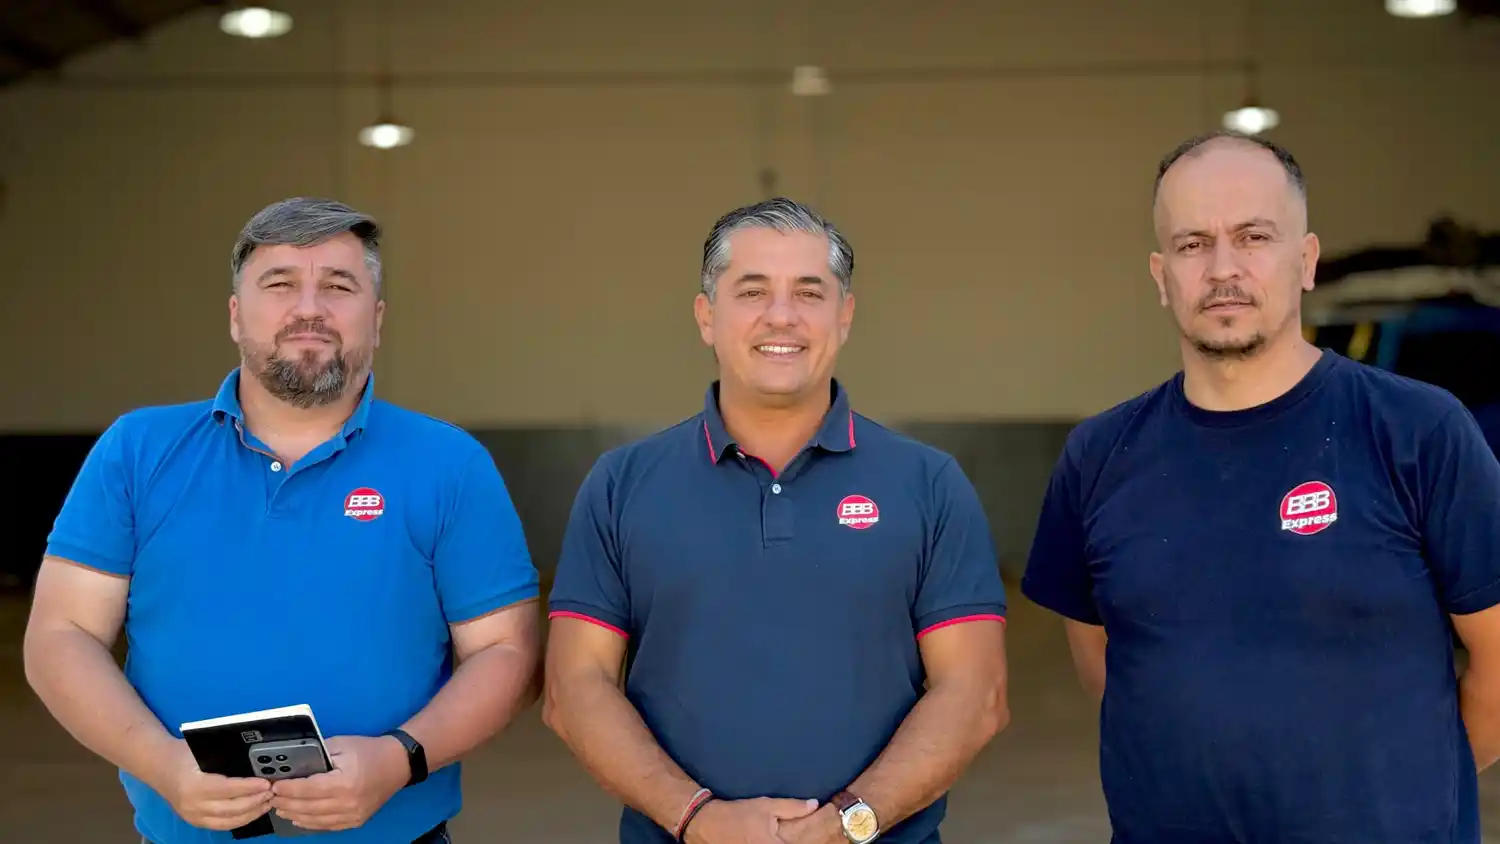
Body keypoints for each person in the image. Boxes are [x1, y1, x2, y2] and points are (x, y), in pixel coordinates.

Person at [1021, 131, 1500, 844]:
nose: (1222, 269)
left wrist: (1403, 792)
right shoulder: (1098, 456)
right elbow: (1112, 670)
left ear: (1305, 261)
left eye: (1253, 237)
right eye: (1192, 245)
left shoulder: (1419, 432)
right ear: (1160, 275)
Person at [23, 197, 542, 844]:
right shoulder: (137, 451)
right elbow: (60, 634)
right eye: (280, 284)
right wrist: (164, 767)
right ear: (236, 316)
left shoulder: (449, 465)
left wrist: (398, 759)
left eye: (339, 285)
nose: (309, 308)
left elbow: (507, 652)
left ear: (375, 321)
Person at [541, 197, 1010, 844]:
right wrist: (696, 819)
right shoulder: (622, 486)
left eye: (809, 293)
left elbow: (975, 692)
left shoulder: (928, 485)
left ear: (844, 316)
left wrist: (847, 824)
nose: (781, 316)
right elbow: (575, 685)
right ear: (706, 316)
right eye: (752, 291)